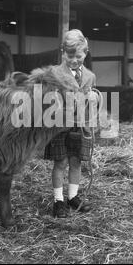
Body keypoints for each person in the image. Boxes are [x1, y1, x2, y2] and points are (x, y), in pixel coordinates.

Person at [44, 29, 98, 218]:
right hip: (60, 126)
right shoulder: (55, 74)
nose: (74, 60)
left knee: (76, 162)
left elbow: (93, 99)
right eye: (70, 55)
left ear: (86, 52)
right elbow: (48, 100)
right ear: (62, 52)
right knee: (61, 162)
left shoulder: (90, 76)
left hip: (80, 126)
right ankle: (58, 200)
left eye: (79, 56)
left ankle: (73, 197)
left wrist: (94, 97)